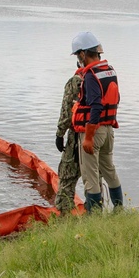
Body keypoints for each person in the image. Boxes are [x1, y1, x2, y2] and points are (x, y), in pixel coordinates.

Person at [69, 31, 122, 212]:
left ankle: (94, 217)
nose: (78, 59)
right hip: (108, 131)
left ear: (84, 53)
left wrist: (89, 136)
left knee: (90, 176)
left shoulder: (91, 75)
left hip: (94, 131)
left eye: (78, 55)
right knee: (109, 170)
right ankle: (119, 209)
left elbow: (96, 107)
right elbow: (115, 99)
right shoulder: (109, 71)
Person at [54, 63, 82, 216]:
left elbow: (66, 111)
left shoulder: (75, 82)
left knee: (66, 178)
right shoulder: (103, 77)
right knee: (94, 180)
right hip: (100, 136)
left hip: (77, 137)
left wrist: (59, 134)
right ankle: (96, 214)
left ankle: (64, 218)